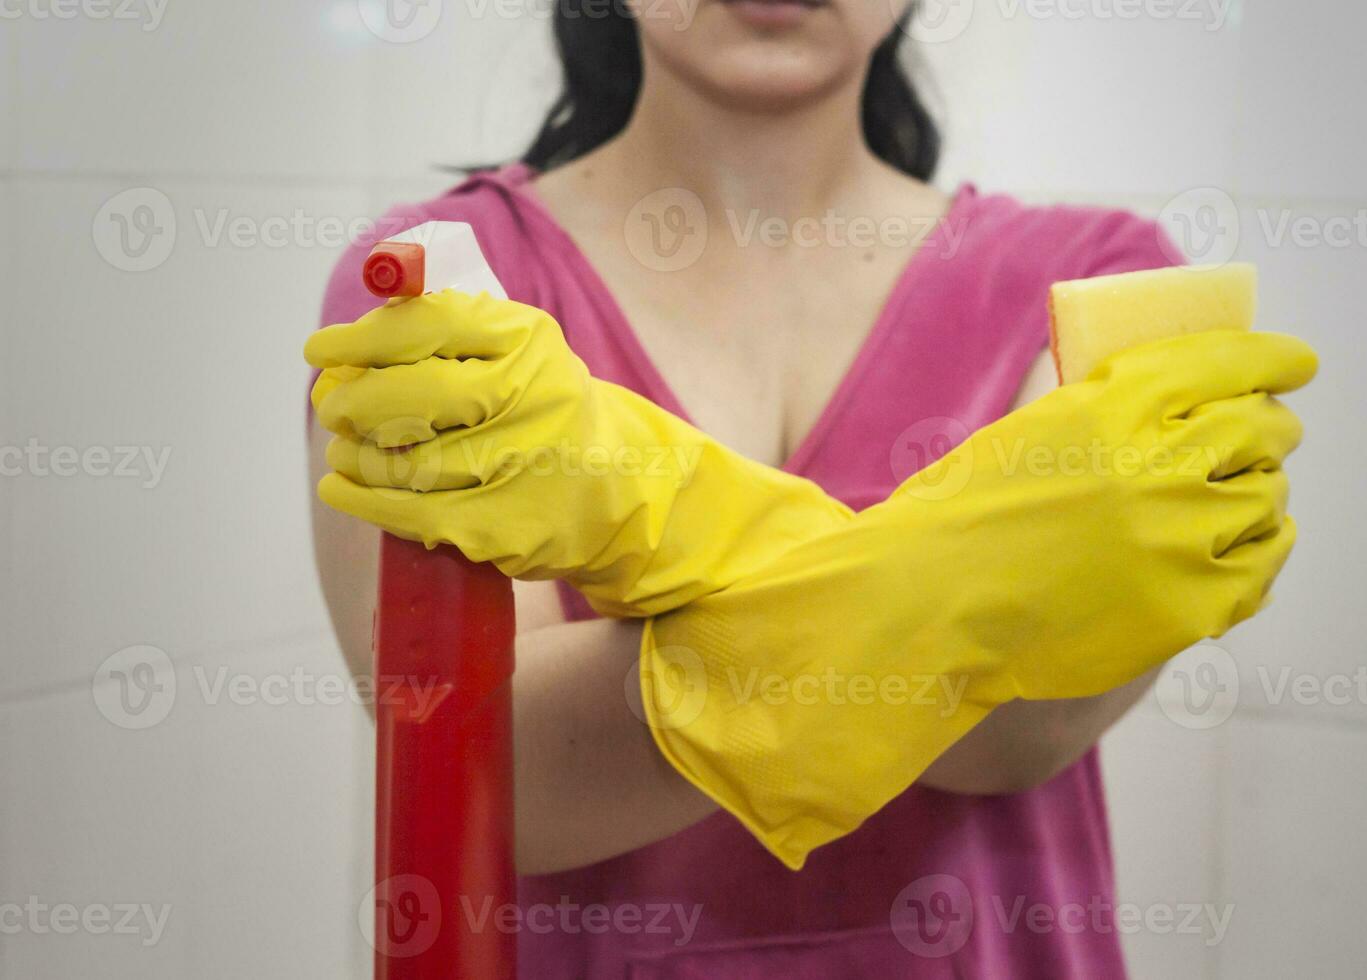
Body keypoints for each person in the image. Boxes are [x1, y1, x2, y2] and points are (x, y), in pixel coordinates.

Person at [307, 0, 1311, 973]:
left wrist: (651, 497)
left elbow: (1019, 731)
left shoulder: (1111, 280)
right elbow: (501, 779)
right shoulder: (430, 279)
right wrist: (997, 569)